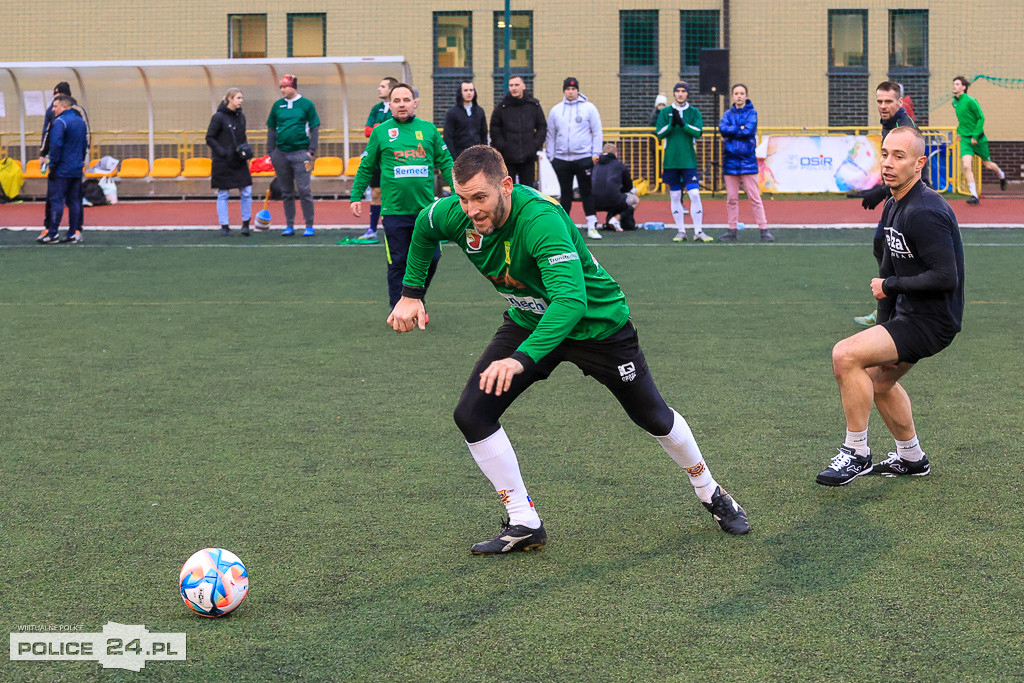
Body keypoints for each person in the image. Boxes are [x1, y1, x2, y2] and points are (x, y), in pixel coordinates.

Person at [387, 145, 750, 554]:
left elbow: (571, 301)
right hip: (530, 320)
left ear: (506, 186)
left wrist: (521, 359)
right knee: (472, 414)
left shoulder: (541, 220)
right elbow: (424, 226)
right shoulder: (456, 213)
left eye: (480, 198)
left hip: (596, 326)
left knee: (653, 416)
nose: (471, 210)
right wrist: (411, 293)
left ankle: (709, 490)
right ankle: (525, 522)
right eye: (463, 198)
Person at [817, 127, 963, 486]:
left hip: (931, 320)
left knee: (845, 355)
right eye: (885, 154)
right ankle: (912, 458)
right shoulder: (895, 203)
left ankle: (857, 453)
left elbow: (946, 277)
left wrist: (890, 287)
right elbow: (887, 267)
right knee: (877, 381)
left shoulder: (925, 211)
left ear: (919, 163)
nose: (888, 163)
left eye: (899, 156)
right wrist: (884, 318)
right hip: (908, 314)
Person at [350, 83, 454, 307]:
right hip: (394, 211)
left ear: (415, 103)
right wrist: (356, 195)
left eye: (406, 100)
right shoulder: (380, 132)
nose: (402, 104)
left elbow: (446, 163)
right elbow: (366, 166)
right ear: (390, 105)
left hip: (426, 211)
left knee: (432, 258)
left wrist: (459, 193)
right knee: (398, 262)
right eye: (396, 101)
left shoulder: (428, 130)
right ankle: (397, 309)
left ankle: (416, 300)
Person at [854, 81, 921, 327]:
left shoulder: (904, 128)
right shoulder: (889, 125)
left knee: (897, 254)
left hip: (910, 200)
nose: (883, 106)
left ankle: (899, 310)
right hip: (894, 198)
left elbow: (913, 171)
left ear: (899, 102)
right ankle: (891, 308)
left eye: (888, 101)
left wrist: (881, 191)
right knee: (882, 248)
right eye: (879, 101)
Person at [546, 77, 603, 240]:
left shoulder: (589, 108)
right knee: (565, 194)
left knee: (586, 192)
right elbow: (551, 134)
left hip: (584, 158)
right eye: (568, 89)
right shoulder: (556, 110)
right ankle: (564, 228)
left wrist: (595, 154)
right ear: (564, 91)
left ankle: (592, 226)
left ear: (578, 90)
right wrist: (551, 156)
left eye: (573, 89)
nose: (570, 92)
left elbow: (597, 131)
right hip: (561, 159)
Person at [655, 82, 712, 243]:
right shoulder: (666, 112)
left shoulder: (694, 112)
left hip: (688, 161)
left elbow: (698, 132)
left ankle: (698, 231)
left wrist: (683, 124)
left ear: (687, 94)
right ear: (674, 94)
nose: (680, 94)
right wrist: (671, 125)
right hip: (671, 161)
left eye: (683, 91)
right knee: (675, 196)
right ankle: (681, 231)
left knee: (694, 194)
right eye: (678, 91)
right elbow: (659, 133)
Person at [717, 84, 772, 243]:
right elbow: (723, 129)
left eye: (742, 93)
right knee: (731, 198)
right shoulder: (727, 114)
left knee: (755, 198)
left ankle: (764, 229)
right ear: (732, 96)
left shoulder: (752, 113)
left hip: (747, 161)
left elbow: (748, 131)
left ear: (746, 96)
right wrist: (739, 128)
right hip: (730, 161)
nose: (739, 96)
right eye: (736, 93)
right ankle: (732, 230)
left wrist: (733, 130)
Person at [266, 74, 320, 236]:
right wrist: (271, 152)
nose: (282, 90)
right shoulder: (277, 106)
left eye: (285, 87)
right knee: (286, 191)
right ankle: (289, 225)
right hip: (280, 154)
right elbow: (271, 129)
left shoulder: (306, 104)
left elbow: (314, 127)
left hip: (300, 154)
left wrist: (311, 150)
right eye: (281, 87)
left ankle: (309, 225)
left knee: (304, 190)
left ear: (293, 87)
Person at [37, 82, 90, 244]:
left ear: (64, 106)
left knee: (56, 200)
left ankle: (52, 232)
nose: (53, 109)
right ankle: (74, 232)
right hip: (76, 168)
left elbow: (56, 144)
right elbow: (84, 144)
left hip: (62, 169)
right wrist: (81, 160)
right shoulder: (80, 121)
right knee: (74, 201)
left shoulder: (60, 122)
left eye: (55, 106)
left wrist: (51, 164)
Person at [952, 76, 1008, 205]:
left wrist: (975, 136)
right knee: (966, 165)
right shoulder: (955, 103)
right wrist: (959, 132)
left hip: (979, 139)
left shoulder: (970, 101)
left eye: (957, 84)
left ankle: (1001, 175)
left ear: (963, 87)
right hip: (965, 139)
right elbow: (962, 120)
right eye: (954, 84)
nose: (954, 86)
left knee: (988, 164)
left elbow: (980, 118)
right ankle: (974, 195)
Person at [206, 88, 253, 237]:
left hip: (239, 160)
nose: (241, 101)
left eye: (242, 98)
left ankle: (246, 224)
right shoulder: (218, 117)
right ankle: (224, 226)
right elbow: (210, 137)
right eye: (238, 98)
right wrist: (222, 152)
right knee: (223, 194)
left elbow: (242, 136)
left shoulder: (241, 117)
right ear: (230, 99)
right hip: (223, 162)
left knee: (247, 191)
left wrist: (246, 151)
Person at [489, 76, 546, 189]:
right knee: (507, 190)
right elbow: (494, 128)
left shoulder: (533, 105)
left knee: (527, 191)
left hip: (528, 158)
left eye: (516, 85)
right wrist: (502, 146)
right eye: (511, 85)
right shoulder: (502, 107)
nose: (514, 88)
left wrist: (534, 145)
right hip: (507, 158)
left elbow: (542, 127)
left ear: (523, 86)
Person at [360, 76, 399, 240]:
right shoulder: (376, 109)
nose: (379, 88)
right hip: (377, 156)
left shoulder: (397, 108)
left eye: (382, 86)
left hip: (393, 157)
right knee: (376, 192)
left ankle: (396, 227)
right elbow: (367, 131)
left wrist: (377, 128)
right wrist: (380, 129)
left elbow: (395, 131)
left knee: (395, 193)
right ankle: (372, 229)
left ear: (391, 89)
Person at [592, 142, 639, 231]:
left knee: (592, 197)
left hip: (593, 202)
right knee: (635, 200)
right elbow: (628, 186)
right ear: (616, 154)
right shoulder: (619, 165)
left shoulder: (594, 165)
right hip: (613, 200)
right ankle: (616, 219)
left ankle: (592, 223)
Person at [443, 81, 488, 162]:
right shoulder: (452, 113)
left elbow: (484, 135)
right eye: (465, 90)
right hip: (459, 157)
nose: (469, 93)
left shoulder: (480, 111)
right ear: (460, 92)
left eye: (471, 90)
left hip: (477, 157)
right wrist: (455, 158)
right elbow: (448, 137)